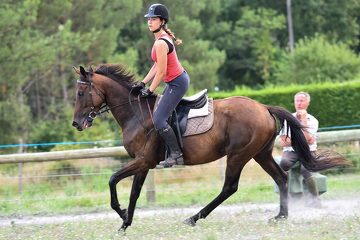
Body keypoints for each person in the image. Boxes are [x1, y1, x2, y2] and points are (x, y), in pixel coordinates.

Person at [132, 3, 190, 168]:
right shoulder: (161, 38)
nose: (150, 22)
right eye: (148, 19)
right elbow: (157, 65)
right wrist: (143, 82)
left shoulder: (161, 43)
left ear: (162, 21)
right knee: (161, 114)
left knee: (158, 120)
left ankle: (177, 155)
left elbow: (162, 72)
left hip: (177, 83)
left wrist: (150, 90)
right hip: (176, 81)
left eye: (153, 19)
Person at [279, 91, 321, 208]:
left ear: (308, 103)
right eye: (297, 100)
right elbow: (283, 142)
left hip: (309, 151)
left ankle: (315, 199)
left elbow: (309, 140)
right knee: (283, 164)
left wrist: (303, 120)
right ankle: (284, 200)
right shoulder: (288, 119)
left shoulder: (312, 120)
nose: (299, 103)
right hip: (291, 151)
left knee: (306, 169)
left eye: (302, 100)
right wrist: (299, 141)